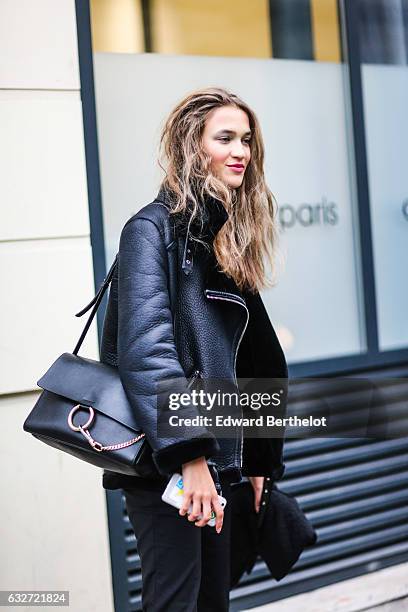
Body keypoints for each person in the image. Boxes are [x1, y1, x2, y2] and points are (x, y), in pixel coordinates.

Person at [99, 87, 288, 611]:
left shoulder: (221, 236)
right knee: (176, 602)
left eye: (246, 139)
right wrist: (192, 458)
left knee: (210, 602)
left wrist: (257, 462)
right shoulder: (152, 230)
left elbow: (252, 359)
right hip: (172, 464)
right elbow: (147, 351)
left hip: (218, 462)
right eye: (225, 137)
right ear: (192, 146)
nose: (241, 151)